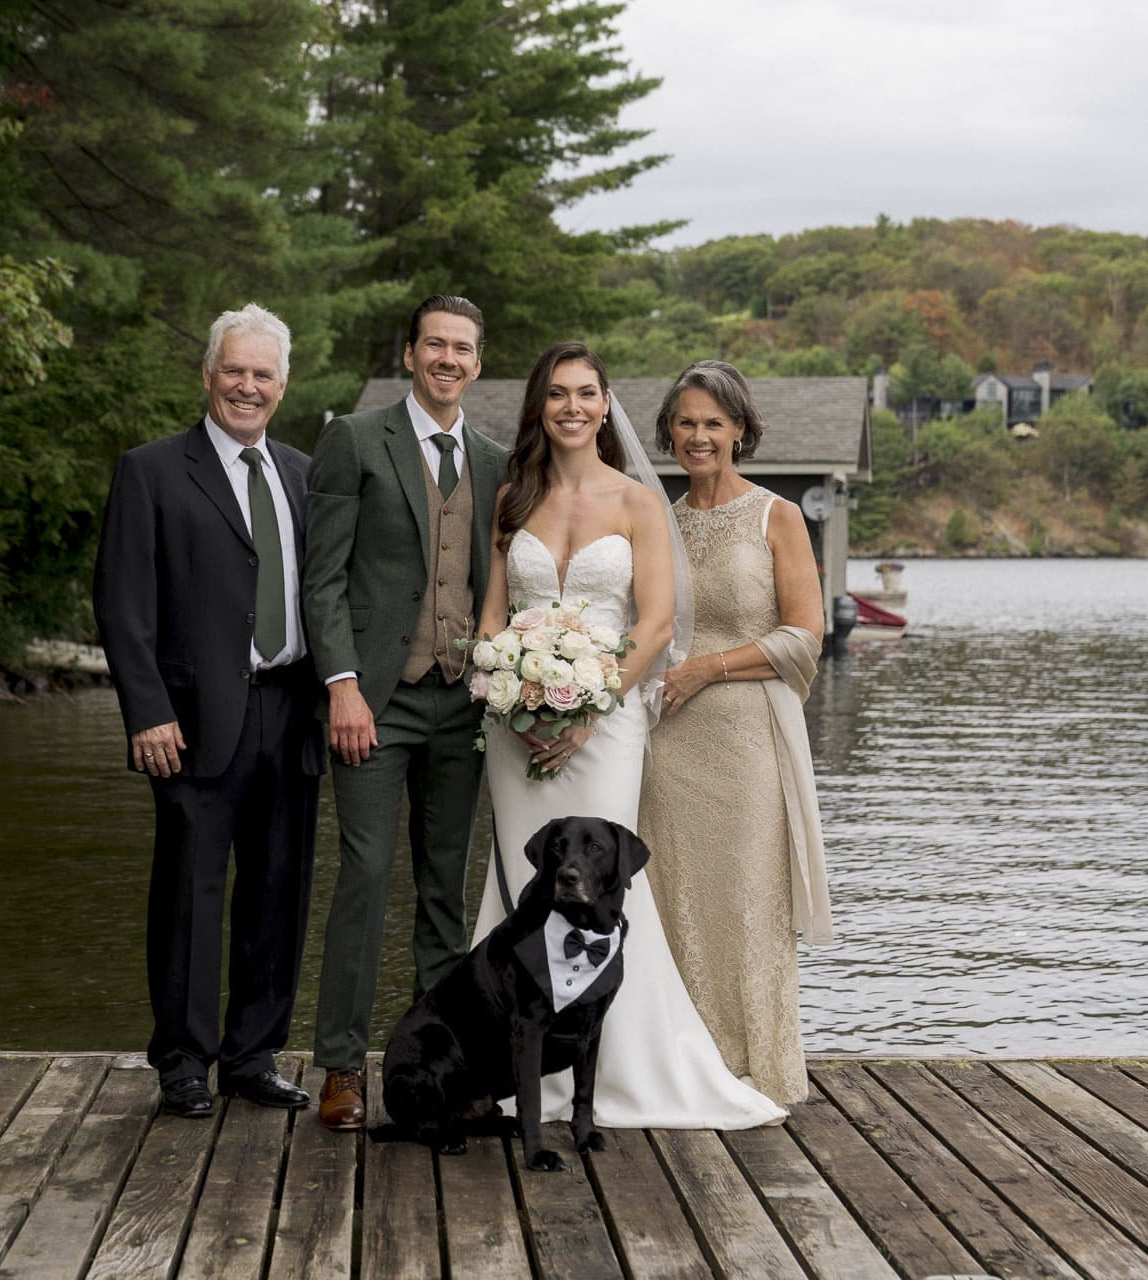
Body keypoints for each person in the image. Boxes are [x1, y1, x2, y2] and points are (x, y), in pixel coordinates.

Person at [470, 342, 786, 1128]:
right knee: (521, 889)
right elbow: (491, 618)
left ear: (606, 404)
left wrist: (586, 708)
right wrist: (503, 688)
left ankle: (620, 1064)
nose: (571, 407)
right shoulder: (513, 498)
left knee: (605, 890)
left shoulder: (640, 504)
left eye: (586, 393)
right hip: (516, 730)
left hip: (607, 729)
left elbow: (654, 627)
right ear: (539, 407)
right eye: (556, 394)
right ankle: (512, 1064)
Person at [93, 304, 325, 1119]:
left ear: (283, 385)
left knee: (279, 891)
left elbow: (323, 595)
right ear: (208, 374)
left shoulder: (304, 474)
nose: (249, 387)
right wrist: (146, 712)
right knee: (189, 895)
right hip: (191, 722)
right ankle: (184, 1063)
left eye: (264, 375)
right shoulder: (153, 471)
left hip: (292, 714)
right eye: (236, 371)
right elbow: (123, 606)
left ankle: (254, 1057)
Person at [304, 295, 511, 1131]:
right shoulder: (356, 440)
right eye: (435, 345)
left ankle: (439, 1065)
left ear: (477, 362)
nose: (448, 359)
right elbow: (322, 578)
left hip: (461, 705)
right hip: (375, 701)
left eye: (463, 348)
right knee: (362, 878)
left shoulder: (496, 461)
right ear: (410, 354)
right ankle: (343, 1068)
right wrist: (342, 684)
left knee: (443, 893)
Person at [637, 359, 831, 1105]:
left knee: (748, 901)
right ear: (668, 432)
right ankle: (683, 1066)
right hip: (666, 741)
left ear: (741, 430)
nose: (697, 436)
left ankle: (754, 1068)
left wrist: (706, 669)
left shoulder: (775, 517)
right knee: (672, 899)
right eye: (685, 422)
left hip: (747, 741)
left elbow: (804, 638)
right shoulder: (657, 517)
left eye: (713, 422)